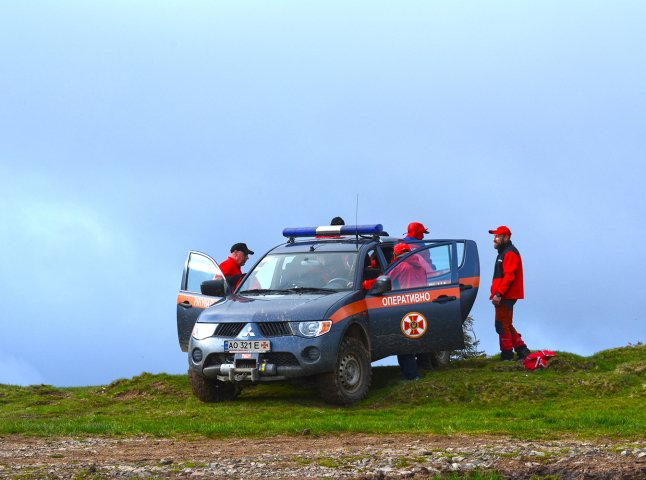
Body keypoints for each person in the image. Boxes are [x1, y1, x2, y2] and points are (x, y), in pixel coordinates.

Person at [489, 226, 531, 361]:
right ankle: (522, 351)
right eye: (494, 236)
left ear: (506, 237)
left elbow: (509, 276)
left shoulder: (510, 253)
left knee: (501, 325)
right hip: (504, 295)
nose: (494, 239)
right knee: (505, 323)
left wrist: (499, 294)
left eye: (497, 236)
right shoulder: (504, 252)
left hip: (506, 295)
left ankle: (507, 355)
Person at [389, 243, 428, 381]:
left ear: (396, 254)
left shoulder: (400, 266)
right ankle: (425, 367)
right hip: (421, 305)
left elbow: (385, 279)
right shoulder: (421, 266)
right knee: (418, 337)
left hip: (405, 305)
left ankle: (412, 376)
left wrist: (366, 284)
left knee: (404, 343)